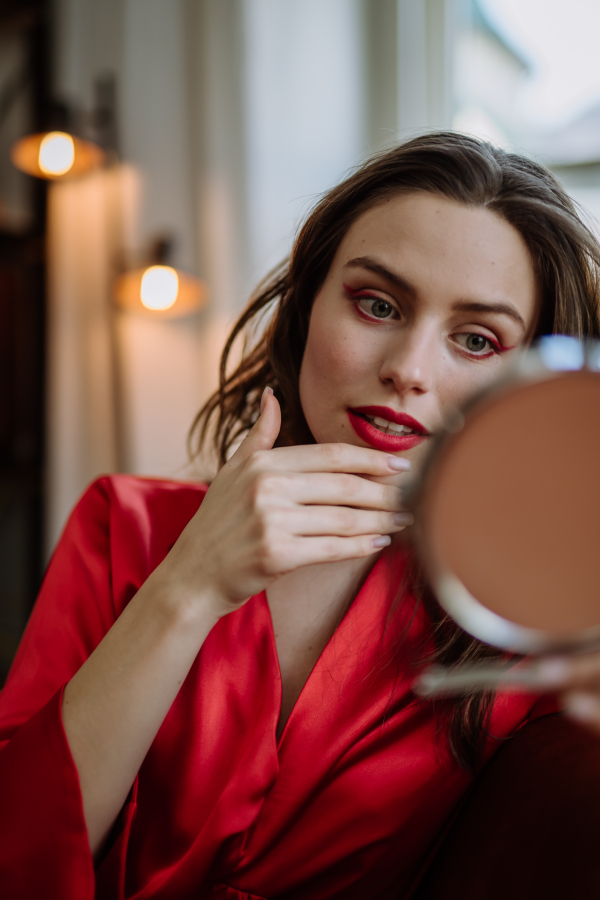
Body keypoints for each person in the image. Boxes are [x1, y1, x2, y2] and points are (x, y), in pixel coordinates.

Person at [1, 132, 599, 900]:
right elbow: (17, 852)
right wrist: (187, 587)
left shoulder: (529, 618)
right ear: (307, 307)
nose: (409, 370)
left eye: (476, 340)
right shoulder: (123, 526)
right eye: (377, 304)